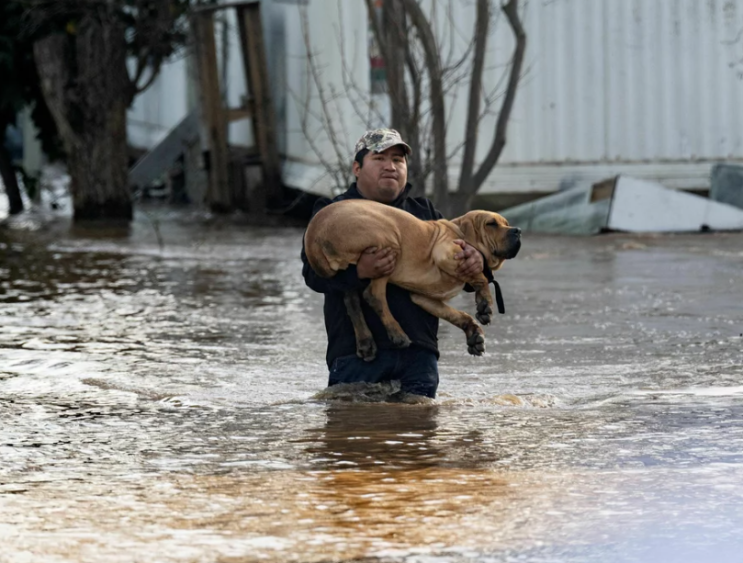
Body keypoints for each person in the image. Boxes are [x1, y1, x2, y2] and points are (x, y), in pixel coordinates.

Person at [301, 128, 484, 399]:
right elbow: (312, 275)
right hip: (357, 356)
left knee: (418, 438)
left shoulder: (425, 213)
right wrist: (359, 272)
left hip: (418, 355)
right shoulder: (333, 211)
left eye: (398, 160)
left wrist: (475, 262)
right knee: (355, 438)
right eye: (379, 158)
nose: (390, 166)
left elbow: (453, 272)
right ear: (357, 168)